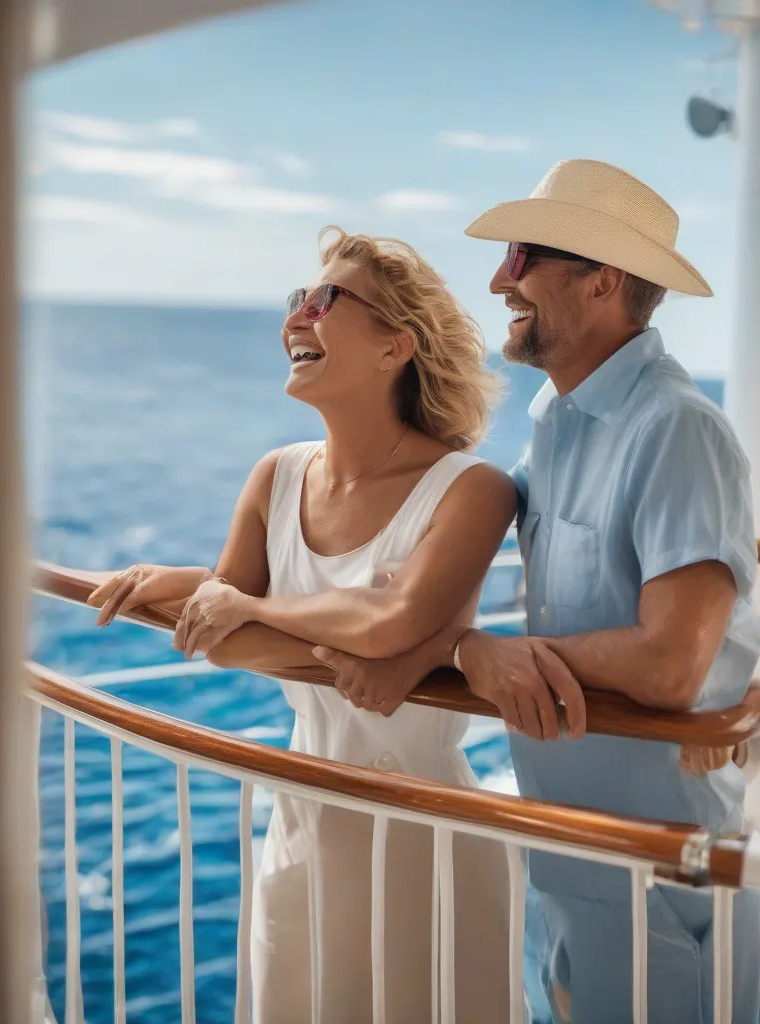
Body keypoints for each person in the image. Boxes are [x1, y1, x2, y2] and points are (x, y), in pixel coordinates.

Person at [308, 161, 760, 1023]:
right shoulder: (557, 424)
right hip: (567, 845)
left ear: (602, 282)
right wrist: (448, 645)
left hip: (656, 864)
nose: (498, 280)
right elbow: (464, 548)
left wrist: (485, 654)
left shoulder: (677, 431)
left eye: (521, 257)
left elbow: (673, 663)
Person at [85, 226, 564, 1023]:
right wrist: (200, 588)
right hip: (303, 828)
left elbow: (393, 617)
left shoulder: (473, 491)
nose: (296, 319)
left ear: (392, 348)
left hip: (429, 845)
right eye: (296, 301)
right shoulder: (275, 476)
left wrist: (252, 607)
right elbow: (226, 635)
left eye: (324, 301)